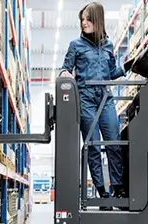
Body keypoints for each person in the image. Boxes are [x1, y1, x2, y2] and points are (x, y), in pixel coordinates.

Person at [59, 2, 133, 206]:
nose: (84, 23)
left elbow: (111, 73)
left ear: (97, 19)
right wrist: (65, 74)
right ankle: (102, 192)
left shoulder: (108, 45)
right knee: (92, 144)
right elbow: (65, 68)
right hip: (86, 99)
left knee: (113, 142)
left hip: (106, 98)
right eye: (82, 19)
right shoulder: (76, 45)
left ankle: (117, 188)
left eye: (88, 19)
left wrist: (127, 66)